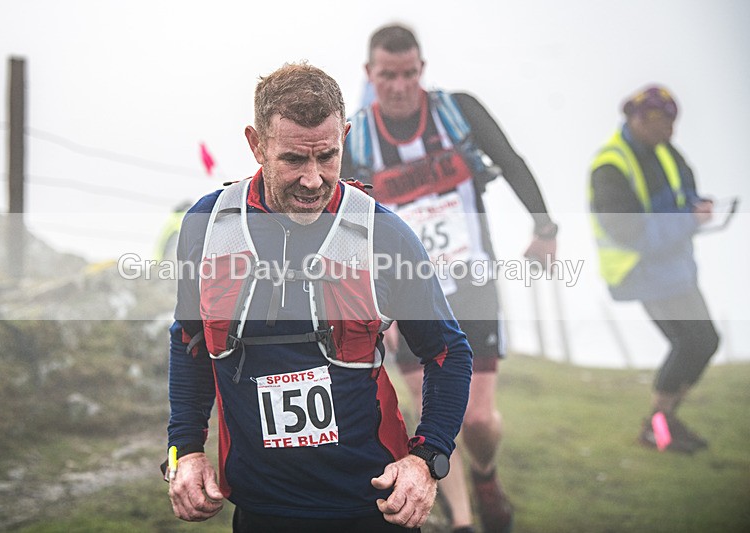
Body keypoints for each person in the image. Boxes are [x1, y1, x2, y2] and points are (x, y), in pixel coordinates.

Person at [164, 62, 473, 532]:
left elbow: (448, 351)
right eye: (293, 159)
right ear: (256, 144)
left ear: (344, 137)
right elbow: (188, 341)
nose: (313, 179)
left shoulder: (384, 235)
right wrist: (185, 449)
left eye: (327, 156)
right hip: (260, 510)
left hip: (372, 506)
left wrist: (427, 458)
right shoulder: (207, 227)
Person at [342, 24, 558, 533]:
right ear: (370, 73)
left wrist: (545, 228)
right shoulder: (357, 139)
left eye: (408, 73)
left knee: (478, 420)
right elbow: (348, 227)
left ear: (421, 69)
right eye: (387, 75)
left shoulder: (458, 112)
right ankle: (462, 521)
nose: (399, 86)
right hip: (406, 293)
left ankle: (486, 474)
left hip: (473, 281)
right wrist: (371, 305)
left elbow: (511, 162)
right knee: (434, 411)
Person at [589, 85, 720, 454]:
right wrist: (689, 219)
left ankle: (664, 422)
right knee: (691, 342)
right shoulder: (610, 165)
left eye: (673, 122)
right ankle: (658, 427)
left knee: (703, 342)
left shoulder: (665, 151)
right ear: (638, 119)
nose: (670, 130)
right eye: (663, 121)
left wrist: (698, 206)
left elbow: (683, 193)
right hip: (642, 271)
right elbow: (627, 231)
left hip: (673, 267)